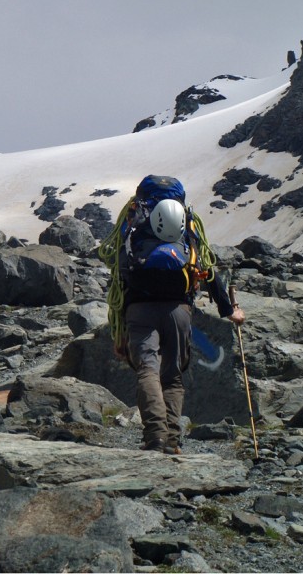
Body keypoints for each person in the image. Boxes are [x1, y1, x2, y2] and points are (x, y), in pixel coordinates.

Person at [101, 176, 246, 454]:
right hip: (178, 310)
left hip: (138, 309)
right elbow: (208, 268)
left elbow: (120, 275)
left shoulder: (132, 224)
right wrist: (229, 311)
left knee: (147, 370)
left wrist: (119, 333)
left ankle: (154, 437)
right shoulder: (187, 225)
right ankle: (173, 440)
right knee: (173, 376)